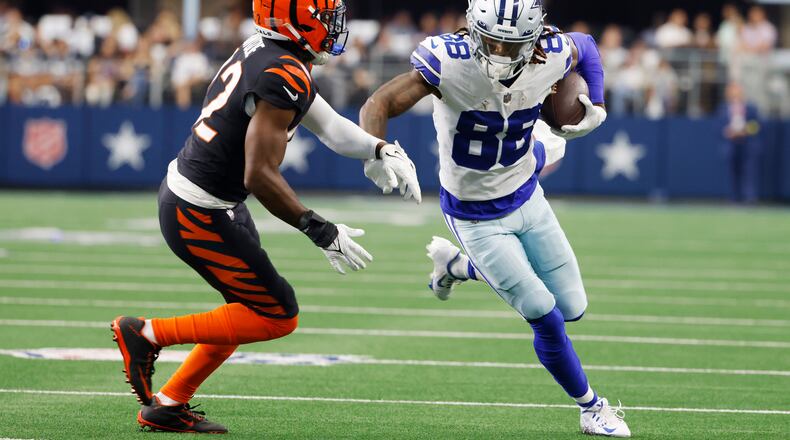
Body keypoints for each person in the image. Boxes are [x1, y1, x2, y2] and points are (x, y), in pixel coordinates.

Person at [110, 0, 421, 434]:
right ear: (298, 22)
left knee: (247, 308)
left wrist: (379, 148)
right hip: (198, 210)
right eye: (326, 17)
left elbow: (330, 127)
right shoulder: (282, 71)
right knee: (278, 315)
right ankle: (147, 334)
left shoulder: (273, 52)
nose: (334, 26)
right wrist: (321, 229)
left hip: (209, 201)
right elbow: (258, 174)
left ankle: (168, 403)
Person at [360, 0, 630, 437]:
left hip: (527, 197)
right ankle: (591, 407)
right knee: (544, 312)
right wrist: (374, 149)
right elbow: (381, 101)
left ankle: (456, 266)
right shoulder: (449, 60)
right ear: (472, 29)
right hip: (473, 216)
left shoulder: (550, 51)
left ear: (533, 38)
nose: (502, 54)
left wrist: (595, 102)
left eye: (513, 45)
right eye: (492, 42)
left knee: (573, 308)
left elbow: (587, 46)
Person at [719, 82, 761, 204]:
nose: (735, 93)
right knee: (732, 172)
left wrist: (746, 131)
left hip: (747, 144)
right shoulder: (723, 108)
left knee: (749, 172)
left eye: (737, 90)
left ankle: (750, 198)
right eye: (732, 90)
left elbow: (757, 125)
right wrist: (727, 132)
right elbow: (718, 127)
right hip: (731, 144)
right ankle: (733, 198)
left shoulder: (751, 108)